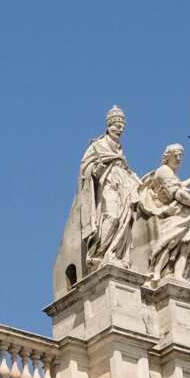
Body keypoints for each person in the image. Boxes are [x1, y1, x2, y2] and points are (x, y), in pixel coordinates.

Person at [55, 107, 136, 291]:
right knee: (112, 217)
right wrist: (95, 171)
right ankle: (100, 254)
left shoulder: (119, 150)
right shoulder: (97, 147)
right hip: (107, 188)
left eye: (122, 126)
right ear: (108, 126)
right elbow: (85, 169)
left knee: (124, 220)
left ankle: (115, 254)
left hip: (122, 188)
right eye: (116, 126)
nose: (120, 129)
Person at [136, 145, 190, 284]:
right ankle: (157, 272)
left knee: (185, 244)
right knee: (171, 242)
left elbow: (179, 186)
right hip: (167, 213)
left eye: (180, 156)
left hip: (177, 212)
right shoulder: (164, 171)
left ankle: (176, 276)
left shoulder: (172, 174)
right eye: (175, 156)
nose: (178, 159)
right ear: (167, 157)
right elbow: (177, 193)